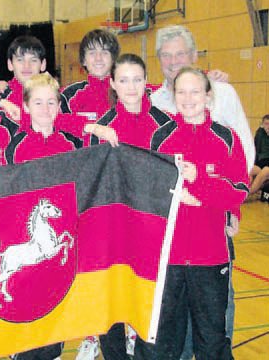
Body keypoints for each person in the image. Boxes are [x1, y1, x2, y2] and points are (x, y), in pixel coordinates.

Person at [149, 25, 254, 360]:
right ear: (173, 96)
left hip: (211, 256)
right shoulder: (161, 138)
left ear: (209, 95)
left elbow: (238, 190)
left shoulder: (226, 138)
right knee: (167, 342)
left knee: (212, 339)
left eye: (196, 92)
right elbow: (152, 191)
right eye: (182, 92)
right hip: (170, 258)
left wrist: (200, 187)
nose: (189, 99)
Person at [83, 54, 171, 360]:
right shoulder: (103, 129)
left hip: (153, 234)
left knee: (151, 309)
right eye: (123, 80)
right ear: (112, 84)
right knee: (115, 308)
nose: (131, 87)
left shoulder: (166, 125)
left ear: (147, 82)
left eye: (137, 79)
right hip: (115, 235)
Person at [5, 73, 82, 360]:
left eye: (52, 102)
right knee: (26, 312)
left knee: (54, 307)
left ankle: (54, 352)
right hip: (25, 241)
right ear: (25, 106)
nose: (46, 109)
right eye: (38, 102)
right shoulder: (16, 146)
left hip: (60, 239)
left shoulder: (72, 144)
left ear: (59, 106)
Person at [60, 29, 120, 121]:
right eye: (92, 53)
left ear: (113, 59)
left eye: (104, 52)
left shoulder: (129, 91)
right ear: (83, 60)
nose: (98, 58)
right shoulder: (68, 95)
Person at [249, 114, 269, 196]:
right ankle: (242, 189)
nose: (268, 126)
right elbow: (255, 149)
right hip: (261, 162)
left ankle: (243, 195)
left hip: (267, 166)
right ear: (262, 125)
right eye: (266, 124)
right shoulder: (260, 133)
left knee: (264, 171)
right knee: (250, 169)